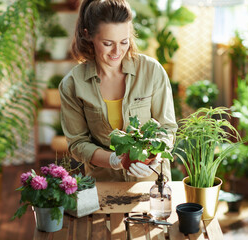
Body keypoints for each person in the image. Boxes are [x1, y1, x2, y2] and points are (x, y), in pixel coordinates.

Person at [59, 0, 178, 182]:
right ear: (88, 35)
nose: (117, 51)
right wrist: (114, 160)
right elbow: (77, 144)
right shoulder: (73, 84)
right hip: (105, 184)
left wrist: (157, 156)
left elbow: (167, 127)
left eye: (124, 41)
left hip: (152, 184)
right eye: (107, 43)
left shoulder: (151, 71)